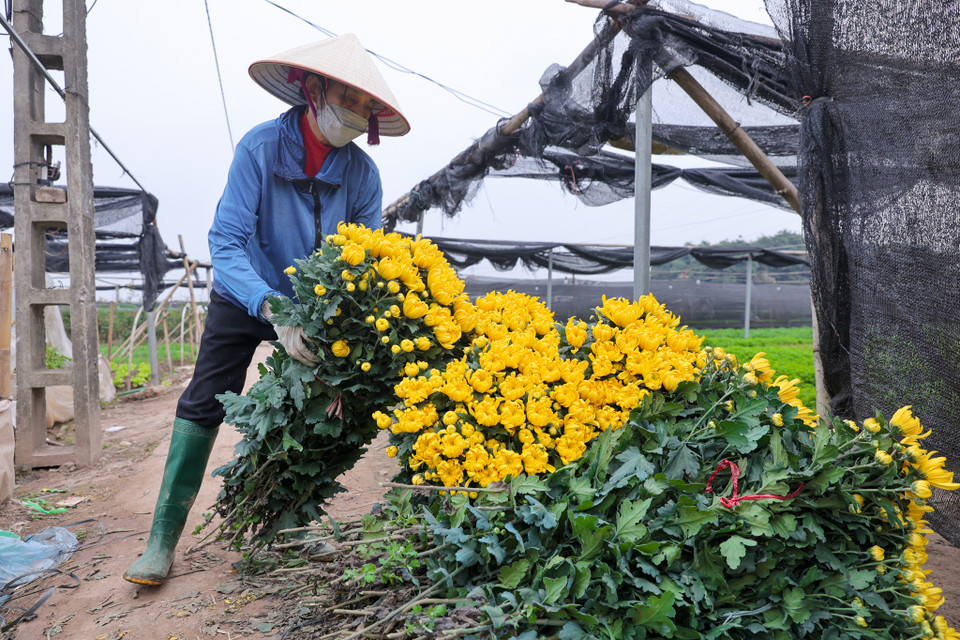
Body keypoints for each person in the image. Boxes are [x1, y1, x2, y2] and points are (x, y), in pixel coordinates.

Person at [124, 33, 410, 586]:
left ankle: (290, 523)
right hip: (244, 291)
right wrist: (271, 305)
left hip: (314, 311)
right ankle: (162, 540)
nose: (354, 115)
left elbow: (369, 257)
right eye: (346, 101)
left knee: (319, 409)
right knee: (204, 401)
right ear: (313, 91)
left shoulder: (362, 175)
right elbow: (225, 241)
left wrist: (337, 313)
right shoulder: (259, 149)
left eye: (364, 107)